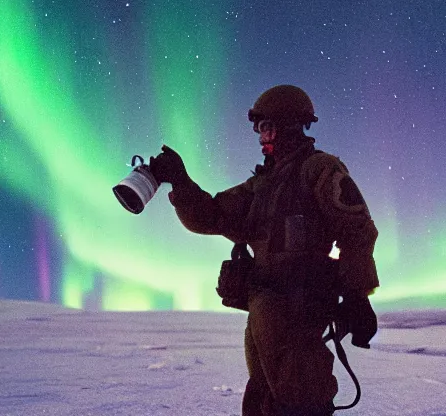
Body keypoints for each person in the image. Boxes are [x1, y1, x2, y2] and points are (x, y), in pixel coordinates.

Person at [149, 85, 379, 416]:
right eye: (259, 129)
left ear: (291, 125)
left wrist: (358, 296)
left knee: (302, 396)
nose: (261, 137)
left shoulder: (319, 168)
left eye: (267, 127)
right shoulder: (261, 184)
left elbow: (357, 230)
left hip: (300, 306)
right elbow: (212, 215)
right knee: (263, 396)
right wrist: (181, 182)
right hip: (264, 306)